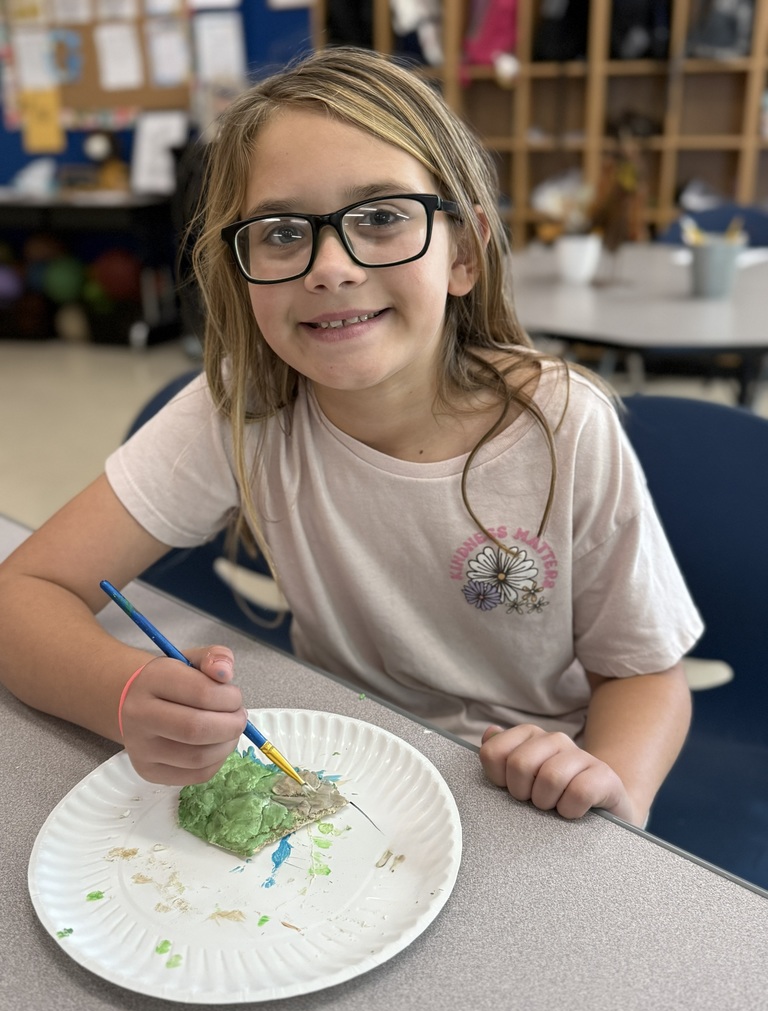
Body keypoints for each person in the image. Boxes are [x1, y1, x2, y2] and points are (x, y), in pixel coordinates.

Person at [0, 47, 701, 828]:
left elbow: (646, 676)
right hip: (341, 766)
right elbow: (22, 594)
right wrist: (123, 692)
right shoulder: (242, 404)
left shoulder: (565, 424)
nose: (330, 268)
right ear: (242, 269)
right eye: (280, 231)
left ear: (463, 252)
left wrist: (613, 788)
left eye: (381, 218)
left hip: (524, 798)